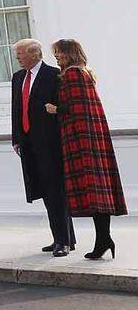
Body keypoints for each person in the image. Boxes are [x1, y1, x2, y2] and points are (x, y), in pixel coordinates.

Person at [43, 39, 126, 260]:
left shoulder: (72, 74)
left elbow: (75, 108)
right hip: (90, 137)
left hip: (81, 139)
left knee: (93, 190)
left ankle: (104, 239)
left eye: (59, 53)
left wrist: (54, 108)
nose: (57, 57)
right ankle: (104, 240)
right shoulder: (84, 72)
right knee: (97, 190)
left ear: (69, 53)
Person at [11, 38, 75, 256]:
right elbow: (17, 109)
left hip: (51, 142)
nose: (17, 58)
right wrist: (16, 138)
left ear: (34, 54)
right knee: (44, 191)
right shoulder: (18, 77)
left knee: (55, 190)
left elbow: (65, 106)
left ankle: (63, 242)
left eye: (20, 54)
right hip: (29, 142)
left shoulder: (54, 74)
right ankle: (63, 237)